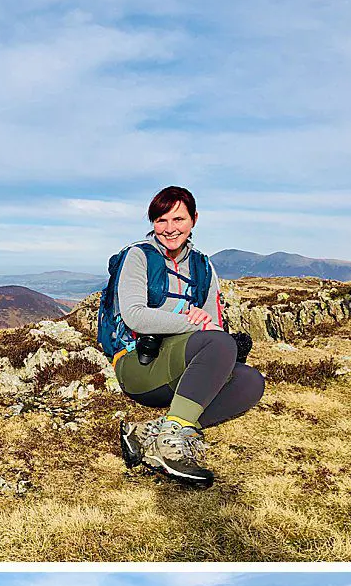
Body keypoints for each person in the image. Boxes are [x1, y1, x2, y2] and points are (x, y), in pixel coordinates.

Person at [104, 185, 265, 488]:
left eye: (178, 219)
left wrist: (207, 327)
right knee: (217, 342)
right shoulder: (138, 257)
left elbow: (212, 322)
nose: (169, 228)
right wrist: (192, 323)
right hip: (139, 365)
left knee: (250, 381)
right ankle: (168, 446)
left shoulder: (203, 266)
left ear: (194, 219)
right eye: (161, 220)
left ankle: (153, 433)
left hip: (182, 367)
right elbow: (134, 315)